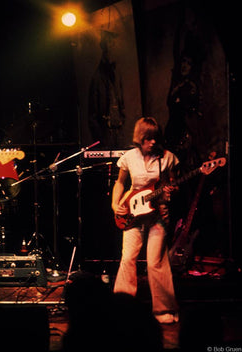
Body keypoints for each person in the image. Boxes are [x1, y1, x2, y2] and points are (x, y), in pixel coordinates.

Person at [111, 117, 179, 324]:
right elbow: (120, 183)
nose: (152, 142)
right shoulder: (129, 157)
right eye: (148, 139)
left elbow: (173, 184)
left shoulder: (167, 158)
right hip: (132, 211)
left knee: (155, 262)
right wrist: (115, 204)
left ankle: (163, 309)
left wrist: (169, 193)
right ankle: (122, 307)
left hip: (157, 214)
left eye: (154, 138)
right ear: (140, 138)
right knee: (127, 259)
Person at [88, 30, 126, 149]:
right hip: (105, 134)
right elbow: (93, 114)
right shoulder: (97, 78)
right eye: (110, 43)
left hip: (118, 132)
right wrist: (100, 138)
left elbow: (121, 101)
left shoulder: (116, 73)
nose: (113, 46)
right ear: (104, 46)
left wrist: (121, 119)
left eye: (113, 43)